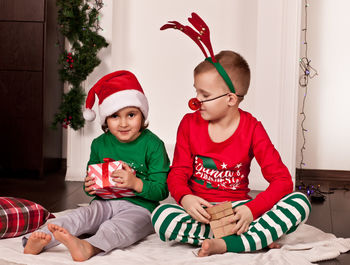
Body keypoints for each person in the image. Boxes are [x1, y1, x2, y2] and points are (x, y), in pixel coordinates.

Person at [152, 50, 311, 256]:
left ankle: (225, 243)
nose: (196, 100)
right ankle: (253, 238)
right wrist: (185, 198)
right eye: (196, 92)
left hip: (238, 210)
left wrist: (251, 210)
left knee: (300, 203)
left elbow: (282, 180)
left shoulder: (252, 128)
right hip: (203, 213)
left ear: (230, 99)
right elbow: (178, 172)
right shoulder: (189, 124)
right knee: (161, 216)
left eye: (205, 95)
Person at [23, 70, 170, 261]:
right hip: (104, 203)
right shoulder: (100, 144)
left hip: (140, 209)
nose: (124, 123)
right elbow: (91, 185)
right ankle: (40, 240)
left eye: (131, 115)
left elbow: (162, 189)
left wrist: (135, 183)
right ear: (106, 119)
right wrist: (90, 186)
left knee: (120, 227)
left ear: (142, 115)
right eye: (115, 116)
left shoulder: (153, 145)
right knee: (80, 216)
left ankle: (89, 247)